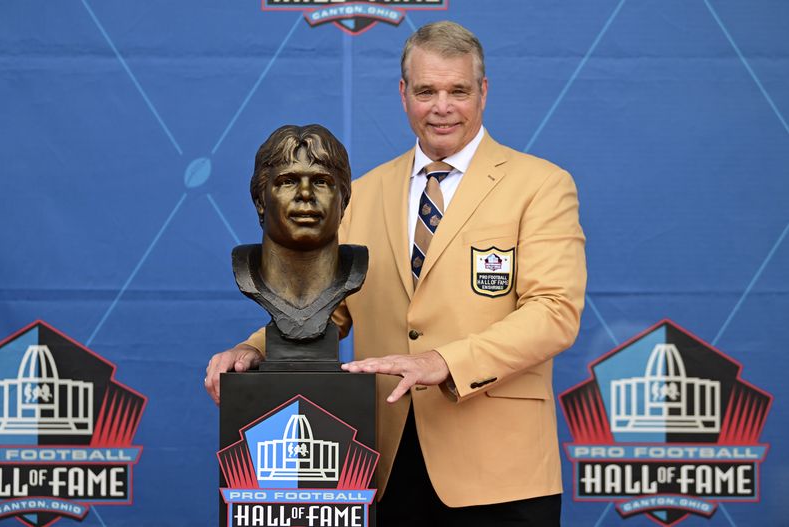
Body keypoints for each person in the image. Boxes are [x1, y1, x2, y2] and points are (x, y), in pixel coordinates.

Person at [206, 21, 586, 526]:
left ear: (484, 93)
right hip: (383, 462)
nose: (442, 106)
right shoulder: (362, 192)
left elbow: (554, 313)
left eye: (459, 90)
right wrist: (254, 349)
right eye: (426, 90)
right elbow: (328, 308)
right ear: (404, 94)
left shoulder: (540, 185)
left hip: (500, 473)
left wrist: (444, 361)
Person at [231, 124, 367, 344]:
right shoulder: (247, 272)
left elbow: (331, 320)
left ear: (344, 202)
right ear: (260, 201)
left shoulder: (354, 269)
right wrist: (255, 348)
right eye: (288, 181)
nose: (305, 194)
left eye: (321, 181)